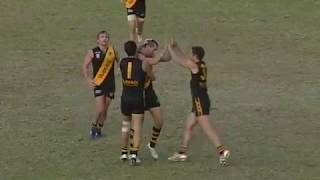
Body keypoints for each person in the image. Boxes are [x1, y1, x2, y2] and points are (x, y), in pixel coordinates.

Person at [167, 41, 230, 165]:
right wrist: (177, 47)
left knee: (208, 129)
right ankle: (182, 153)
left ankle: (222, 152)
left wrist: (170, 49)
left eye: (191, 52)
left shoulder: (194, 66)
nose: (189, 54)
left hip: (199, 102)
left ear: (195, 55)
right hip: (202, 99)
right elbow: (185, 58)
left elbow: (179, 61)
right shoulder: (201, 64)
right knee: (189, 126)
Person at [119, 40, 155, 166]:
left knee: (125, 125)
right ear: (137, 50)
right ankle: (134, 155)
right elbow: (152, 77)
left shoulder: (122, 63)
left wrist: (135, 48)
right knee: (137, 127)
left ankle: (124, 153)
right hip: (137, 99)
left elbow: (131, 52)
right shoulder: (143, 63)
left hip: (125, 98)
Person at [82, 31, 118, 139]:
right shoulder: (92, 52)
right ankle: (93, 126)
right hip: (99, 83)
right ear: (98, 40)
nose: (105, 39)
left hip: (110, 84)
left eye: (106, 37)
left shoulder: (113, 51)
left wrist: (120, 69)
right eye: (102, 37)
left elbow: (119, 61)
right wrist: (88, 79)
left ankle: (99, 129)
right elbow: (85, 66)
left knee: (105, 110)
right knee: (100, 109)